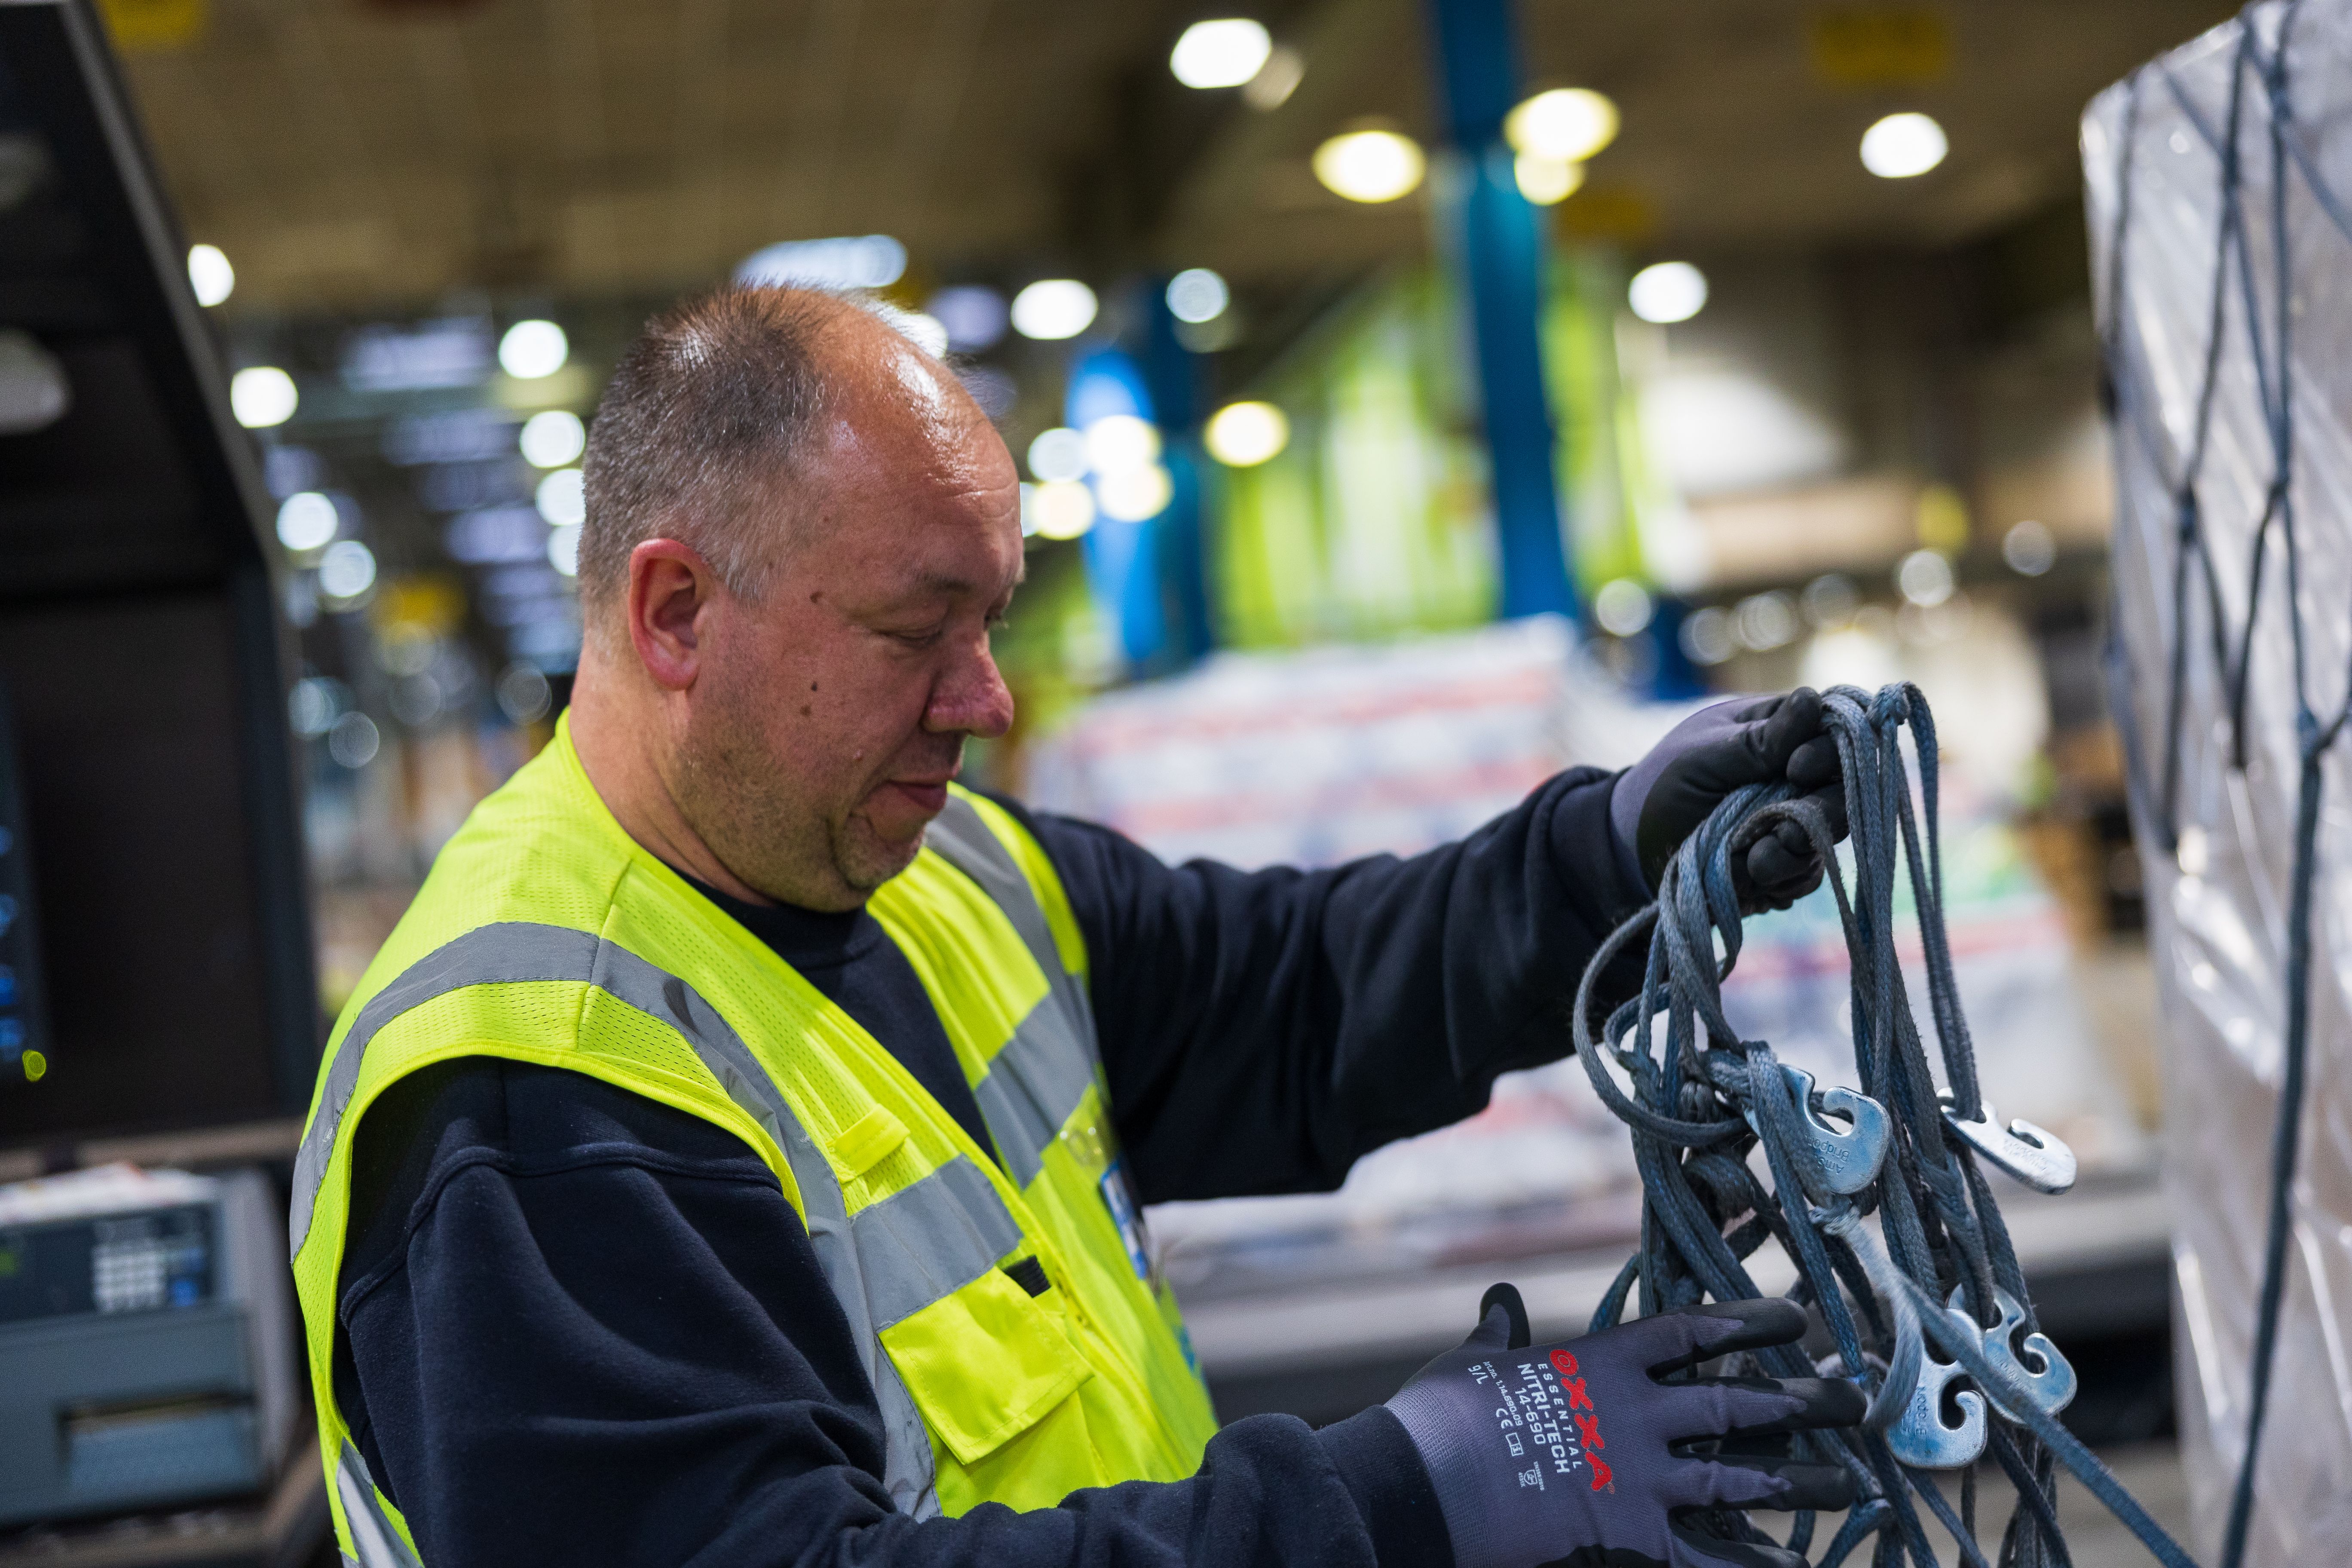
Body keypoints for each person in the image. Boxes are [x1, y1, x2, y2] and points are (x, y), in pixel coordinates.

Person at [288, 286, 1859, 1568]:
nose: (988, 699)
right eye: (918, 630)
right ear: (677, 613)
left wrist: (1603, 856)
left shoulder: (949, 871)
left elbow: (1300, 998)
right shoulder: (536, 1093)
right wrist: (1395, 1497)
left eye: (993, 621)